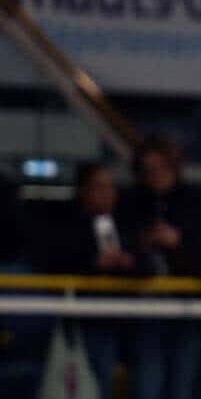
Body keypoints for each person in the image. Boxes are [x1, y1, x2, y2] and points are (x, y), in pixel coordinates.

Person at [119, 136, 201, 399]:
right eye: (148, 170)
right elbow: (121, 249)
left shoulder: (197, 202)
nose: (155, 176)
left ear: (175, 168)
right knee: (147, 382)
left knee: (182, 384)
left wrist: (178, 241)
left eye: (161, 168)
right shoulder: (131, 204)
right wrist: (142, 244)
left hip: (188, 304)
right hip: (145, 304)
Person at [39, 164, 135, 394]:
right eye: (98, 187)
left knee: (105, 384)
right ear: (83, 190)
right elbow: (54, 264)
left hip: (116, 321)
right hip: (75, 322)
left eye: (110, 187)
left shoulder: (125, 224)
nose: (106, 193)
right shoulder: (64, 224)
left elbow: (145, 265)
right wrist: (93, 264)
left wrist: (129, 262)